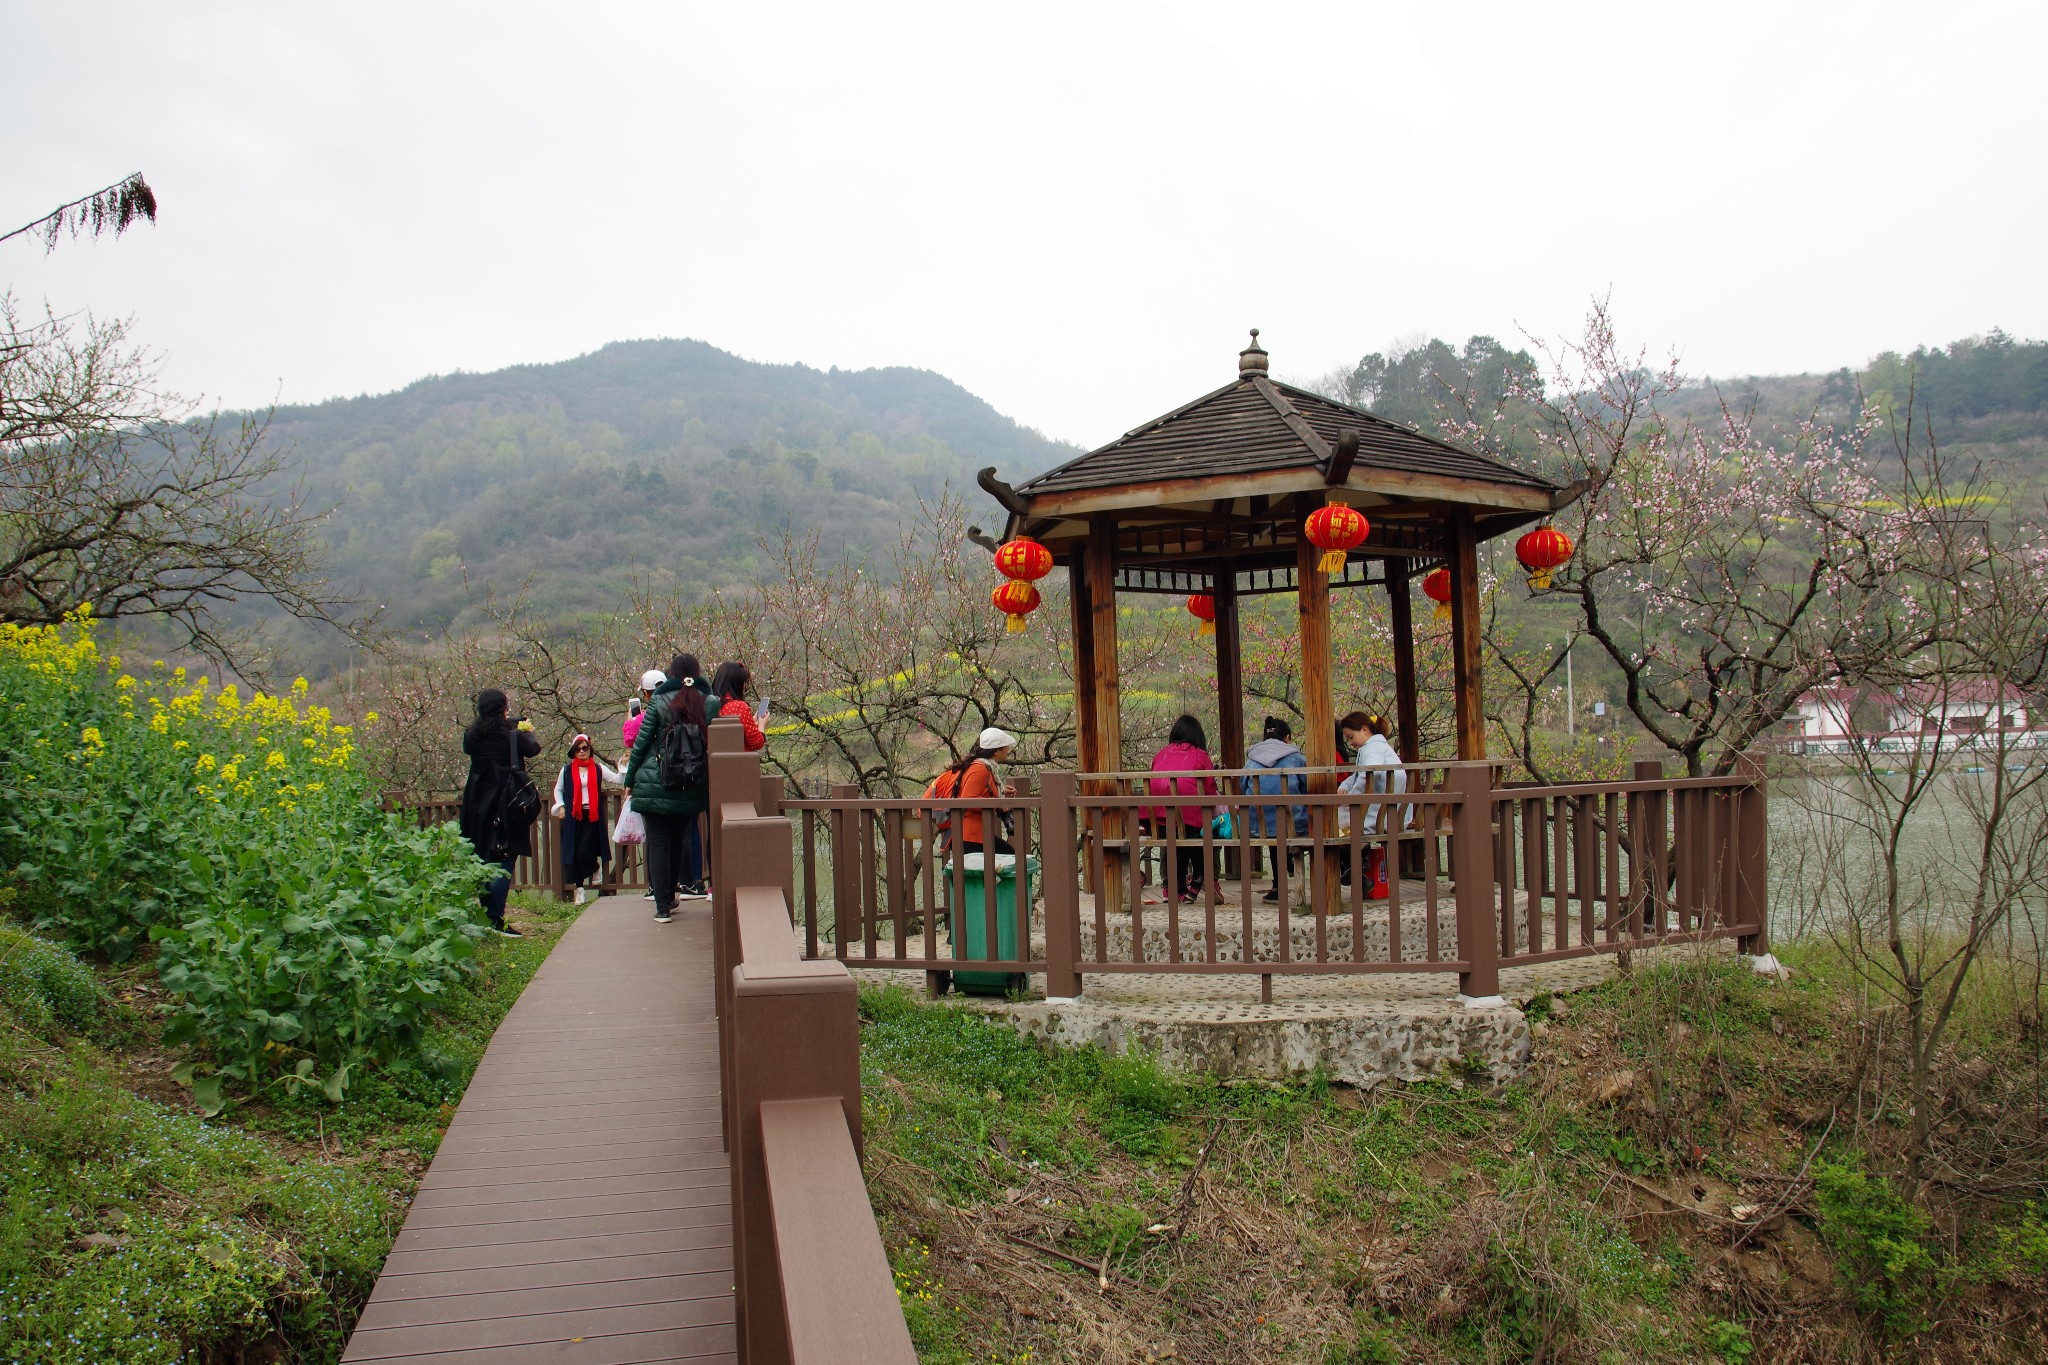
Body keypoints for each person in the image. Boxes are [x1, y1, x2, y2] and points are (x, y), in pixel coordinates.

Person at [622, 660, 712, 924]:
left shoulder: (658, 702)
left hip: (654, 780)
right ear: (696, 675)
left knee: (659, 844)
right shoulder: (709, 702)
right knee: (678, 841)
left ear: (671, 675)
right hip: (690, 781)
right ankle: (673, 894)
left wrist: (630, 779)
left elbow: (641, 743)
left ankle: (663, 906)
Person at [458, 688, 540, 937]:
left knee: (482, 856)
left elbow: (474, 744)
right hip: (506, 804)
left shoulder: (472, 736)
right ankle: (495, 918)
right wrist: (524, 729)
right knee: (504, 859)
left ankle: (484, 915)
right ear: (503, 709)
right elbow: (533, 748)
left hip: (477, 805)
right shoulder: (512, 737)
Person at [1145, 715, 1219, 904]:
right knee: (1201, 833)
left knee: (1176, 839)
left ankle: (1175, 888)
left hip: (1158, 821)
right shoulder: (1199, 755)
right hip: (1190, 821)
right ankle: (1198, 880)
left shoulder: (1160, 755)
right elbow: (1210, 789)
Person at [1338, 711, 1407, 899]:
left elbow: (1370, 774)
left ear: (1365, 729)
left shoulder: (1371, 749)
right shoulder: (1379, 747)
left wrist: (1351, 796)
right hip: (1390, 812)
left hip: (1377, 816)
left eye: (1351, 737)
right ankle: (1358, 868)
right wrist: (1345, 785)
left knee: (1332, 830)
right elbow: (1359, 775)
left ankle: (1358, 867)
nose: (1350, 742)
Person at [1242, 715, 1309, 903]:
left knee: (1271, 827)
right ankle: (1311, 886)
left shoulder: (1251, 760)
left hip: (1258, 827)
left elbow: (1242, 787)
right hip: (1294, 826)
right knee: (1287, 819)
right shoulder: (1296, 759)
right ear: (1287, 738)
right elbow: (1306, 788)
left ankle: (1278, 887)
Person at [924, 728, 1017, 857]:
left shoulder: (983, 766)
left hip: (973, 834)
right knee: (1008, 856)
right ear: (996, 751)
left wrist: (1001, 790)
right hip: (969, 835)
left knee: (1006, 856)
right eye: (1005, 747)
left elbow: (978, 790)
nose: (1008, 750)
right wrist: (996, 803)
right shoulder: (980, 769)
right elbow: (968, 798)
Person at [551, 733, 620, 905]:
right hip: (574, 816)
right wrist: (561, 805)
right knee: (573, 853)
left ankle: (595, 868)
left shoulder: (597, 769)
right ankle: (579, 890)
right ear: (573, 751)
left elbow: (618, 779)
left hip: (592, 815)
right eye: (578, 748)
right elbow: (558, 790)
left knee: (584, 852)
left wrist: (625, 765)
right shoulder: (566, 770)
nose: (581, 751)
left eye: (585, 748)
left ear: (590, 750)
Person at [707, 661, 767, 752]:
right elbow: (756, 742)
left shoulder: (708, 704)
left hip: (712, 762)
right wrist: (762, 724)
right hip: (737, 763)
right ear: (738, 684)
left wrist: (752, 721)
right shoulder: (739, 707)